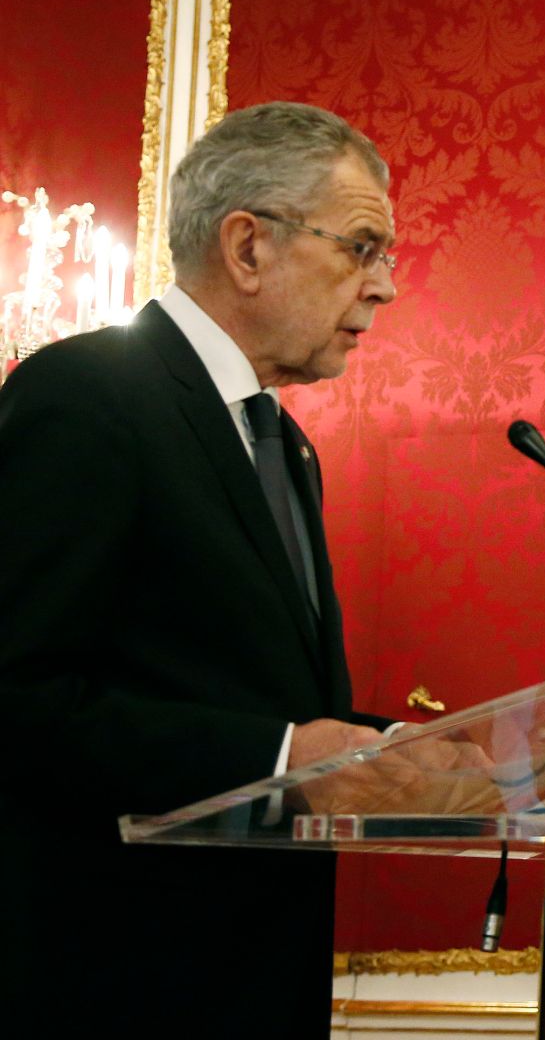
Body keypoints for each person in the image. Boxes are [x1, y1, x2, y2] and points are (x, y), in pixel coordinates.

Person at [0, 102, 401, 1034]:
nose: (384, 287)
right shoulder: (86, 396)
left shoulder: (286, 446)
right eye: (362, 246)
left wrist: (406, 756)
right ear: (248, 247)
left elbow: (249, 694)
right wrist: (279, 760)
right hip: (109, 983)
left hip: (256, 978)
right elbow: (16, 696)